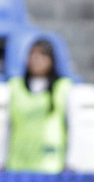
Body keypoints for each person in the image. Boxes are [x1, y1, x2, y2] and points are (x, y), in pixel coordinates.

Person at [6, 39, 72, 173]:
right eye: (32, 54)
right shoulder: (15, 87)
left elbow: (73, 126)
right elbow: (7, 126)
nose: (36, 59)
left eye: (42, 55)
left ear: (52, 60)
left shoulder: (63, 87)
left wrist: (69, 161)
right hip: (18, 166)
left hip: (51, 166)